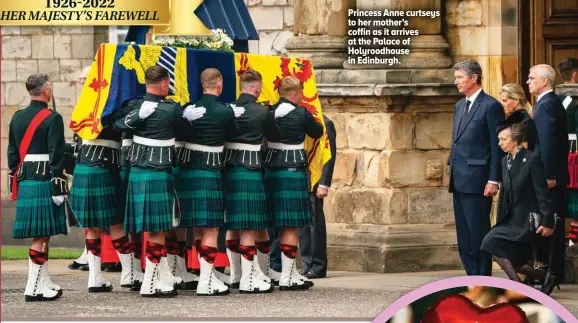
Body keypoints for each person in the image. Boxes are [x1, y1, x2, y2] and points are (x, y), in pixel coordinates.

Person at [114, 65, 197, 297]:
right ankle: (151, 283)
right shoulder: (170, 110)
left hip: (138, 172)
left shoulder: (136, 106)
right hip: (159, 172)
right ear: (163, 85)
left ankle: (161, 277)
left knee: (151, 230)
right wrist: (187, 118)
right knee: (158, 230)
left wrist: (135, 116)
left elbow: (116, 125)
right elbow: (187, 134)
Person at [69, 65, 144, 292]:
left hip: (84, 168)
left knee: (92, 226)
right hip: (103, 167)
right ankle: (129, 275)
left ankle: (95, 278)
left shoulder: (83, 106)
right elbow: (120, 122)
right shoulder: (109, 105)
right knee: (116, 223)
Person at [176, 68, 237, 296]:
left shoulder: (188, 110)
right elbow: (233, 136)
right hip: (210, 171)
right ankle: (205, 282)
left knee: (200, 227)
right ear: (219, 83)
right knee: (211, 227)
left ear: (202, 85)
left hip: (188, 171)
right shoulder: (224, 111)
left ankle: (206, 275)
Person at [8, 74, 69, 301]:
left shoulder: (17, 117)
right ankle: (33, 288)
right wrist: (59, 185)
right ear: (46, 90)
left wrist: (14, 180)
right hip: (45, 180)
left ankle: (43, 281)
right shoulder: (53, 118)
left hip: (26, 181)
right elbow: (57, 154)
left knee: (43, 236)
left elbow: (12, 154)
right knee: (41, 237)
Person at [480, 111, 556, 294]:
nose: (500, 144)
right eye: (499, 140)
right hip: (511, 219)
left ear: (515, 140)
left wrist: (547, 222)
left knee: (491, 243)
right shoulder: (504, 161)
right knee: (499, 249)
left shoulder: (531, 160)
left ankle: (519, 287)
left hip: (528, 220)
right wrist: (499, 222)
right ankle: (544, 278)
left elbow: (542, 193)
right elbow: (505, 195)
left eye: (503, 140)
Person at [223, 69, 283, 293]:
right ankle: (249, 278)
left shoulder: (227, 110)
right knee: (249, 225)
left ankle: (236, 275)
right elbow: (276, 136)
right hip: (250, 170)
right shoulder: (262, 110)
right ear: (257, 88)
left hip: (228, 170)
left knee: (233, 223)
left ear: (241, 87)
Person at [265, 76, 324, 290]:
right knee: (290, 224)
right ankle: (288, 275)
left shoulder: (268, 112)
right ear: (294, 94)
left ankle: (268, 270)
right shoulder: (301, 113)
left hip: (271, 171)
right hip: (293, 171)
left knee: (272, 223)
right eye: (300, 95)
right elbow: (317, 132)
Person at [448, 60, 505, 276]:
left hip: (479, 181)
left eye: (460, 77)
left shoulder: (491, 106)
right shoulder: (459, 106)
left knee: (478, 233)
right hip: (459, 179)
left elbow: (496, 145)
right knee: (464, 238)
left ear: (474, 78)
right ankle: (472, 278)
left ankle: (483, 279)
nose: (456, 82)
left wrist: (493, 179)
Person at [527, 64, 569, 285]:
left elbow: (548, 144)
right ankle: (552, 273)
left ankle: (548, 274)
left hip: (548, 177)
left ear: (544, 81)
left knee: (547, 225)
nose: (528, 81)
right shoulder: (550, 103)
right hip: (551, 175)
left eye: (532, 78)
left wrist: (548, 175)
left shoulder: (545, 105)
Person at [298, 115, 336, 279]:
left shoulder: (325, 123)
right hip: (302, 177)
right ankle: (307, 263)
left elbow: (329, 155)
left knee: (315, 224)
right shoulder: (302, 119)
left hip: (316, 179)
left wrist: (324, 183)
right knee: (303, 225)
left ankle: (318, 265)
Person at [557, 58, 578, 243]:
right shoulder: (571, 100)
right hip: (573, 158)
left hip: (562, 156)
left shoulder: (555, 99)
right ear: (575, 75)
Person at [499, 84, 538, 152]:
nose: (502, 104)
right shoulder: (515, 120)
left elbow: (523, 153)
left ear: (516, 100)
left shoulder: (525, 122)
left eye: (505, 100)